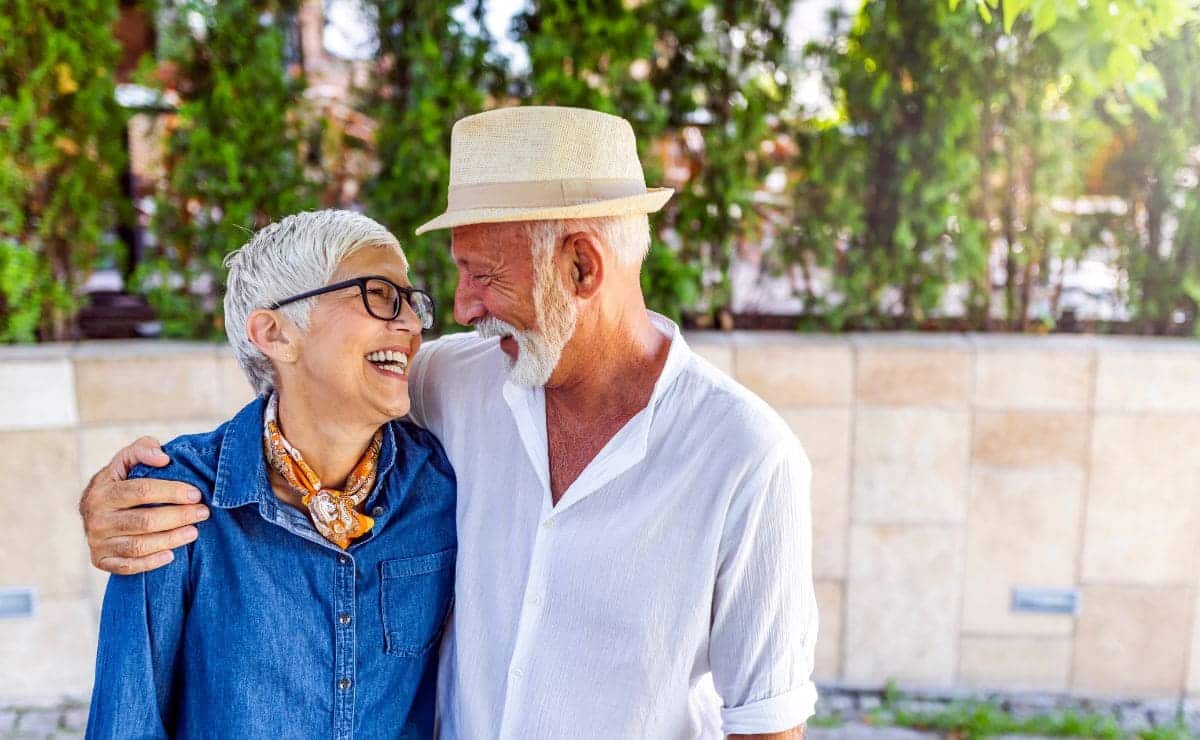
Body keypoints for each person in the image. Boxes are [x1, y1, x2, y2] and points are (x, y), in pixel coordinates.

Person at [80, 106, 818, 739]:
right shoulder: (451, 384)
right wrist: (114, 502)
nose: (456, 313)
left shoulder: (747, 457)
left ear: (583, 269)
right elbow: (304, 412)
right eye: (455, 276)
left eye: (485, 276)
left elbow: (768, 717)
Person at [85, 210, 457, 739]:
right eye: (379, 295)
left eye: (412, 302)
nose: (411, 324)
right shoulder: (177, 498)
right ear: (276, 333)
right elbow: (127, 722)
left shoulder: (441, 486)